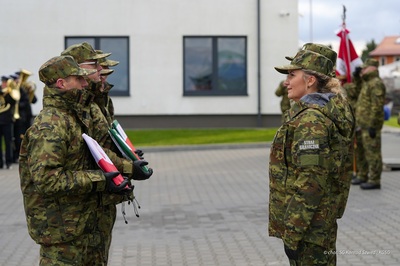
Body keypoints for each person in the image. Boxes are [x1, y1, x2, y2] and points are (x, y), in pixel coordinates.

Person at [19, 55, 133, 265]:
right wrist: (101, 179)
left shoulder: (74, 117)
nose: (84, 83)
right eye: (78, 79)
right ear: (61, 84)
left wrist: (127, 168)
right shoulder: (50, 126)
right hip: (62, 231)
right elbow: (47, 180)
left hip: (84, 224)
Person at [269, 48, 355, 265]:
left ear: (310, 81)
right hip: (316, 225)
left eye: (291, 75)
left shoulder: (311, 121)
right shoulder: (319, 112)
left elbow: (311, 182)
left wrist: (293, 233)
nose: (286, 82)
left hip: (309, 230)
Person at [351, 58, 386, 190]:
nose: (363, 70)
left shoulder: (376, 83)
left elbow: (377, 107)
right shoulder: (367, 82)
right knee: (361, 152)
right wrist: (357, 76)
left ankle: (374, 179)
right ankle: (362, 174)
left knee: (372, 153)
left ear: (373, 68)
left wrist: (373, 125)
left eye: (365, 68)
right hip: (362, 124)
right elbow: (356, 89)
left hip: (370, 125)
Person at [0, 76, 17, 169]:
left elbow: (14, 101)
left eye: (5, 82)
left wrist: (7, 94)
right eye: (3, 82)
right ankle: (0, 163)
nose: (4, 84)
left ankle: (8, 162)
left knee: (8, 142)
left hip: (7, 121)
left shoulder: (11, 92)